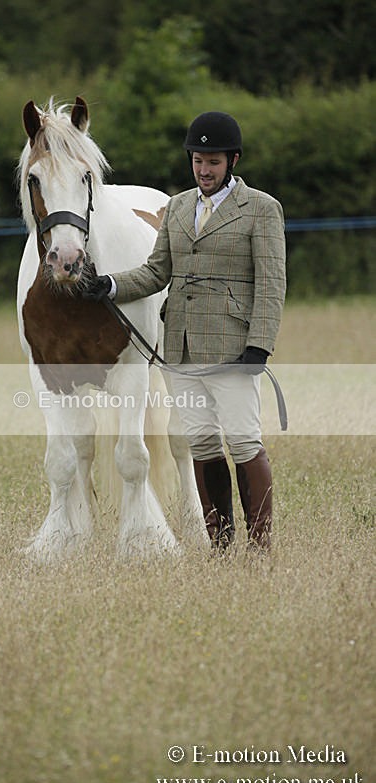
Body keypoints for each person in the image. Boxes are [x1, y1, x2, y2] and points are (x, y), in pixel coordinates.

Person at [84, 111, 286, 552]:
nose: (204, 170)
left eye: (212, 161)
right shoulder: (176, 207)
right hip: (181, 347)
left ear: (232, 160)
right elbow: (157, 273)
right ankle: (221, 544)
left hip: (234, 349)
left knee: (243, 441)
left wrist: (260, 345)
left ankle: (260, 545)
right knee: (202, 442)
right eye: (197, 161)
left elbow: (272, 283)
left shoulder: (262, 209)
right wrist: (112, 285)